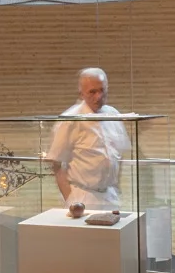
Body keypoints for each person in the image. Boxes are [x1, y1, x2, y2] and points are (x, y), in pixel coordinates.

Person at [45, 68, 130, 209]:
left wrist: (116, 187)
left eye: (102, 90)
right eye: (92, 92)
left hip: (110, 195)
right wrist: (70, 199)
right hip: (82, 196)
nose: (98, 96)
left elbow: (118, 155)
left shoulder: (113, 114)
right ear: (81, 93)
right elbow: (56, 163)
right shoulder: (70, 119)